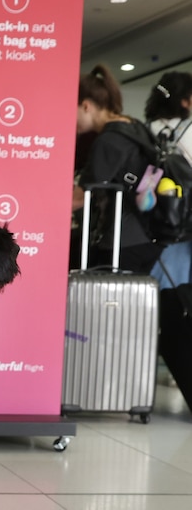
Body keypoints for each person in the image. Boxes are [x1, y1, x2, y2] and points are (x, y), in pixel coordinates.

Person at [73, 64, 162, 273]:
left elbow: (82, 196)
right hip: (149, 234)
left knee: (109, 304)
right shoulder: (134, 126)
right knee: (132, 303)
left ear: (86, 106)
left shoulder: (109, 140)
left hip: (123, 241)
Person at [141, 71, 192, 412]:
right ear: (186, 101)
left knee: (159, 307)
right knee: (181, 304)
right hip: (185, 234)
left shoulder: (144, 133)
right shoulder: (189, 132)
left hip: (151, 233)